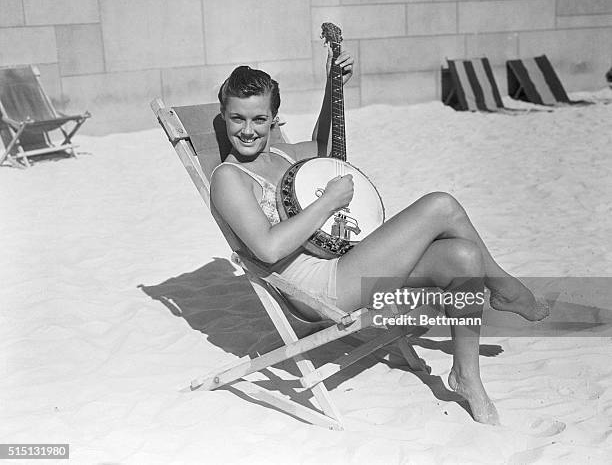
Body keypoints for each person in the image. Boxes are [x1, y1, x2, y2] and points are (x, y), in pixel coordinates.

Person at [210, 47, 552, 426]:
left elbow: (325, 148)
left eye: (259, 119)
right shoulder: (230, 178)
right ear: (223, 115)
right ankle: (506, 289)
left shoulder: (281, 156)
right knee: (441, 205)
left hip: (345, 265)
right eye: (236, 118)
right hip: (318, 290)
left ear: (274, 119)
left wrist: (332, 87)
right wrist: (328, 203)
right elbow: (267, 248)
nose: (247, 130)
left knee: (464, 258)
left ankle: (465, 375)